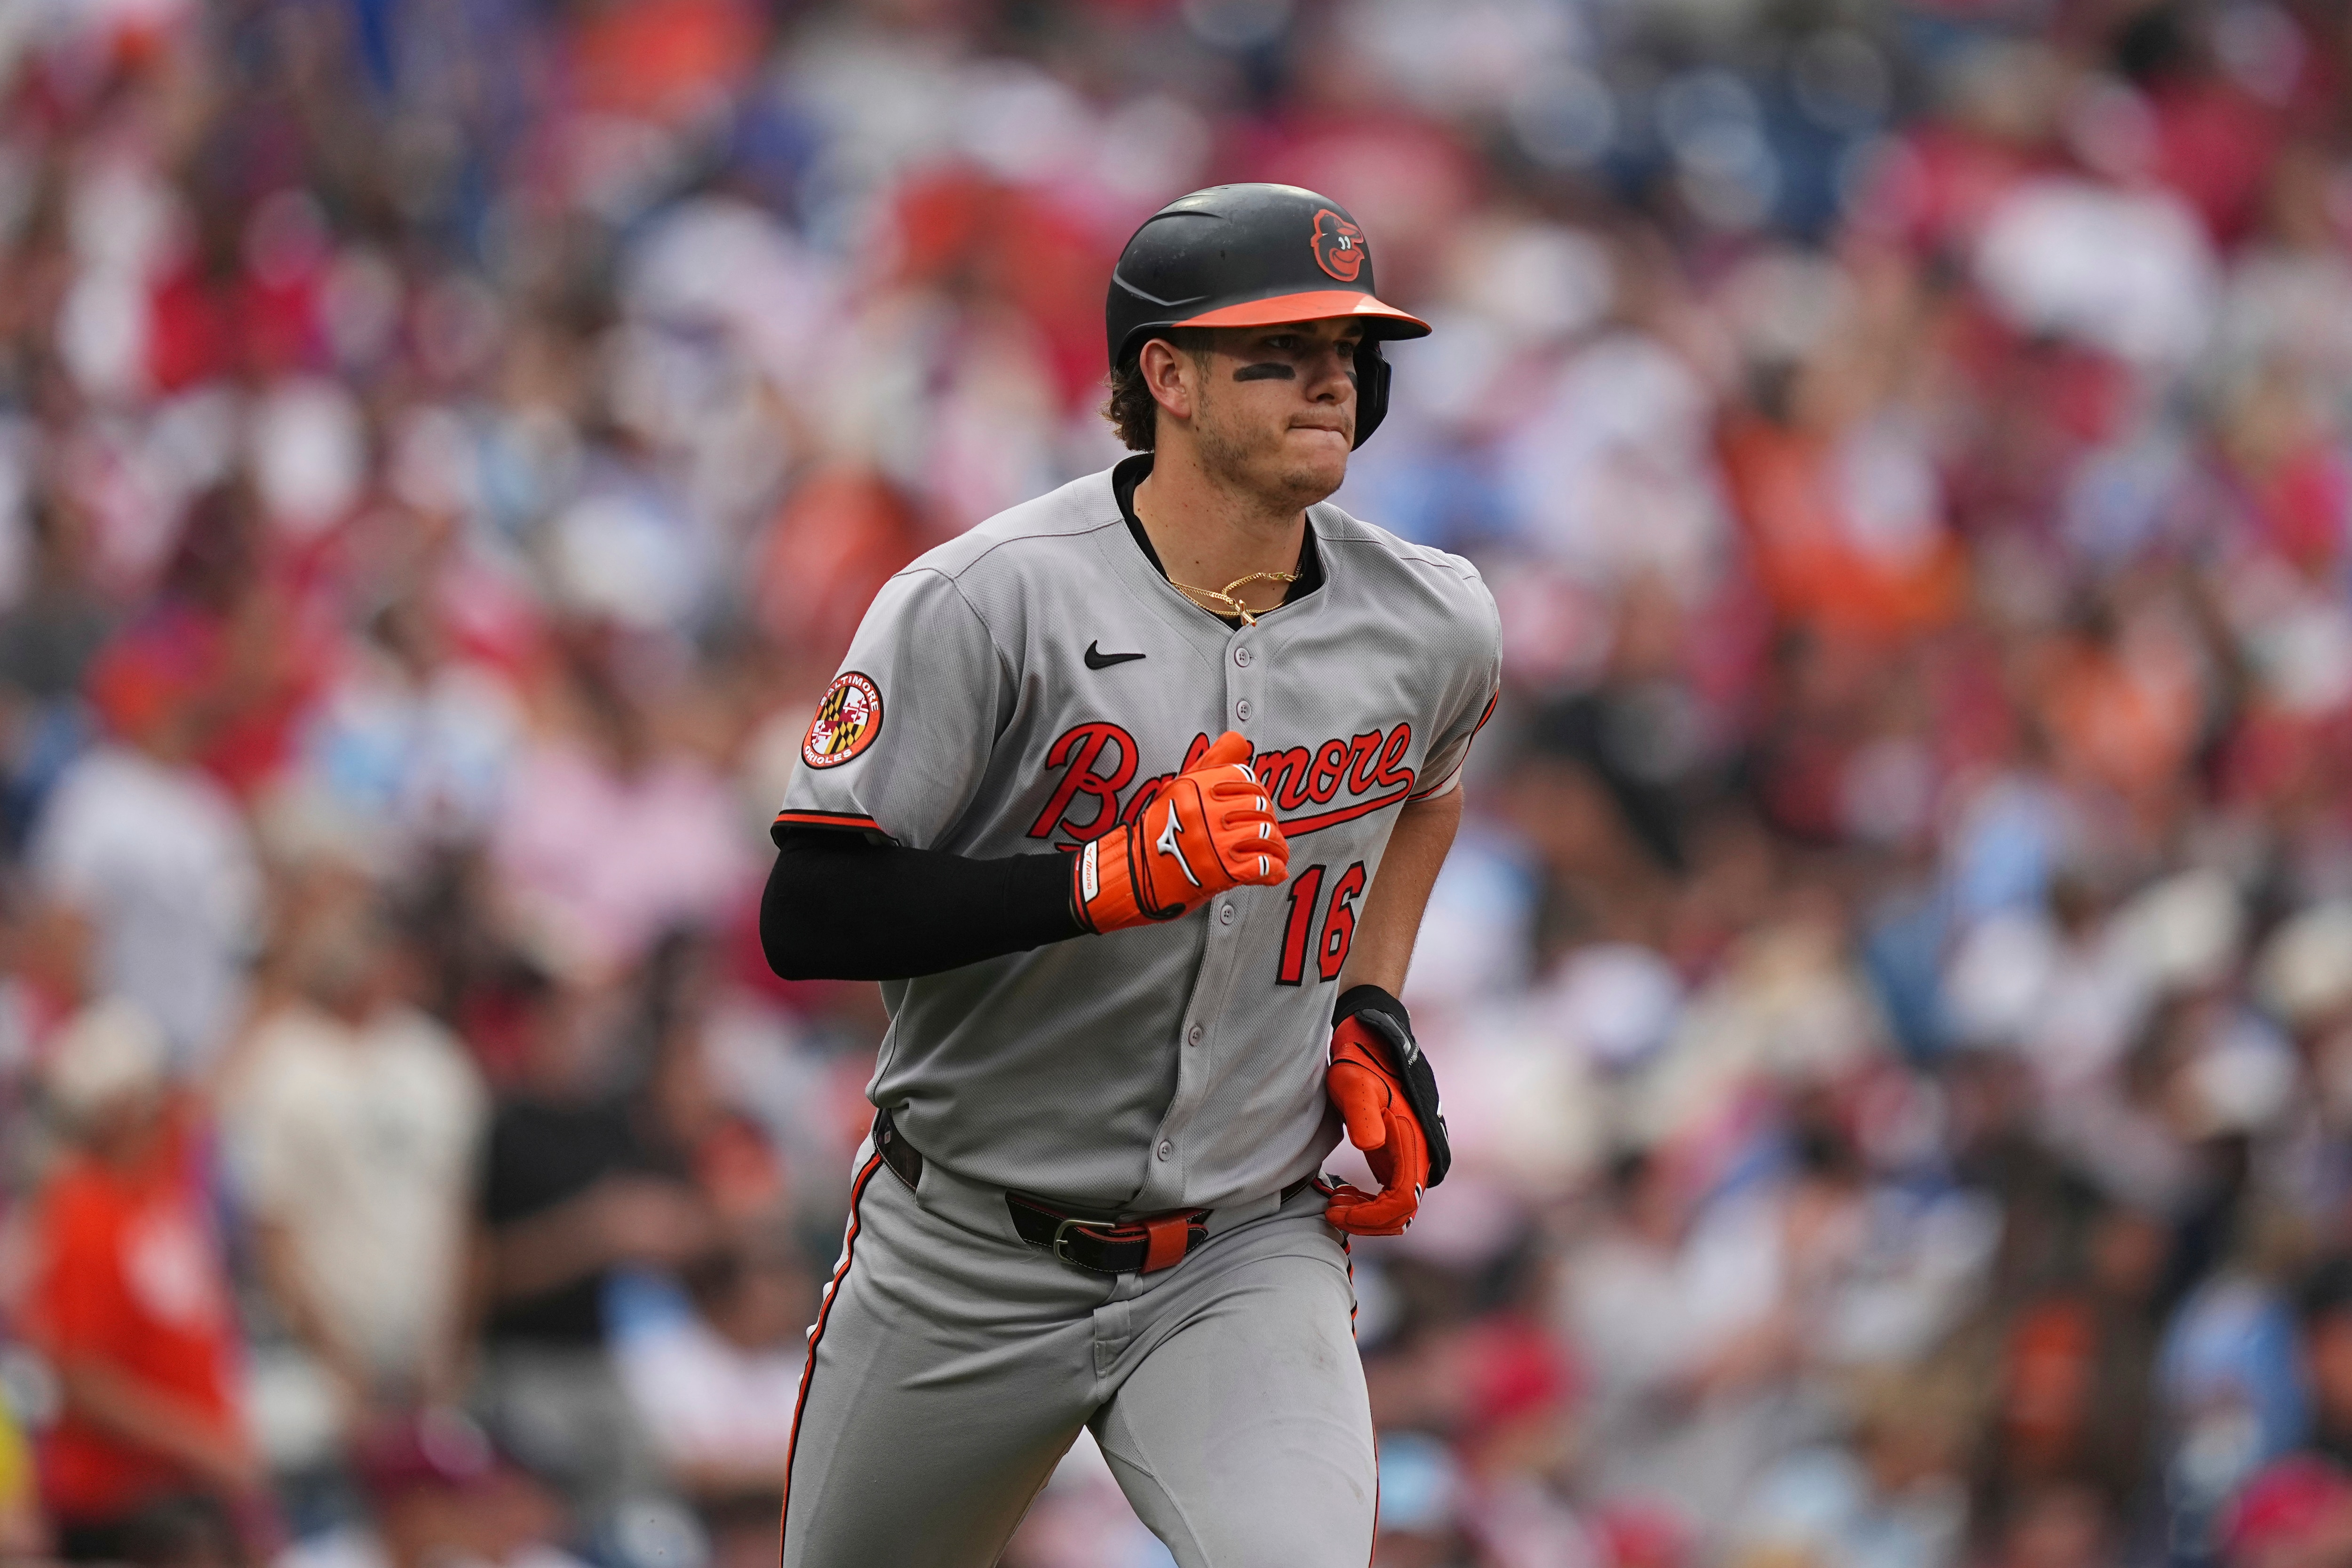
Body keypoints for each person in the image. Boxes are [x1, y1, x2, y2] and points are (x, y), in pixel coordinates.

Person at [760, 183, 1501, 1564]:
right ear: (1164, 375)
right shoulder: (987, 599)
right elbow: (809, 912)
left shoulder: (1431, 614)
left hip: (1243, 1247)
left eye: (1347, 352)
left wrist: (1371, 1009)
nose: (1327, 381)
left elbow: (1428, 796)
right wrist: (1099, 879)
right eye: (1276, 353)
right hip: (965, 1243)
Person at [18, 999, 265, 1562]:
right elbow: (81, 1378)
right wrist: (203, 1444)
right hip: (125, 1503)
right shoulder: (80, 1212)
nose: (166, 1111)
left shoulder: (155, 1191)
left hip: (187, 1488)